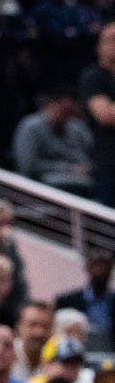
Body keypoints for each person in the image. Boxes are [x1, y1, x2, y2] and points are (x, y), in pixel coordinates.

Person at [79, 22, 115, 207]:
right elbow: (106, 116)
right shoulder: (93, 77)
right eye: (111, 40)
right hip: (108, 160)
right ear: (99, 46)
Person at [56, 249, 115, 352]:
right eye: (97, 265)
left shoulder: (112, 301)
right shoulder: (67, 302)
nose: (102, 271)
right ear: (88, 268)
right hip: (74, 356)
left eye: (106, 266)